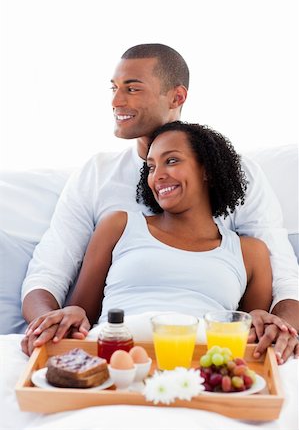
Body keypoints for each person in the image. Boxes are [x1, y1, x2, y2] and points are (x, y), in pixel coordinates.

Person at [21, 43, 299, 361]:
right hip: (117, 348)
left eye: (132, 88)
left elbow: (281, 278)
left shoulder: (241, 179)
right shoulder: (99, 180)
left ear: (176, 97)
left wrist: (280, 330)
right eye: (113, 88)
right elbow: (50, 271)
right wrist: (49, 324)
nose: (115, 101)